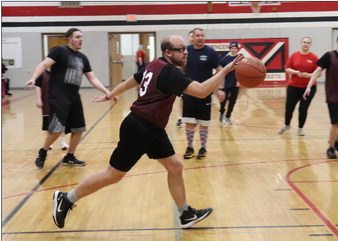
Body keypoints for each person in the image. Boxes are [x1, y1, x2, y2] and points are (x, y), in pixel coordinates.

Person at [52, 35, 244, 229]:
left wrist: (110, 94)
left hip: (153, 128)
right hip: (139, 128)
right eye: (180, 49)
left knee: (175, 167)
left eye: (185, 48)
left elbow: (128, 83)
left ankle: (185, 214)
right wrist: (226, 70)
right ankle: (66, 198)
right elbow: (202, 91)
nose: (185, 52)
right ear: (168, 53)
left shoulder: (155, 64)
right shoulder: (170, 73)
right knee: (113, 174)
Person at [26, 28, 114, 169]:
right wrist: (33, 78)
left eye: (82, 37)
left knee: (78, 128)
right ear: (70, 39)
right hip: (59, 95)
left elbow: (93, 78)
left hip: (74, 97)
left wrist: (108, 92)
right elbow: (44, 64)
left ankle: (70, 156)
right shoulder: (59, 51)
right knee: (56, 129)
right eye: (78, 37)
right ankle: (43, 151)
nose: (81, 39)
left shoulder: (82, 58)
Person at [303, 31, 338, 159]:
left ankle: (336, 140)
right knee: (336, 123)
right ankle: (331, 147)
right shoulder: (329, 56)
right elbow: (317, 71)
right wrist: (308, 87)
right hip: (332, 96)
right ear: (337, 41)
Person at [182, 28, 224, 159]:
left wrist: (219, 88)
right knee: (189, 121)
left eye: (202, 35)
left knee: (204, 123)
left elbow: (219, 70)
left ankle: (203, 148)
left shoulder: (210, 52)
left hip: (205, 92)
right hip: (188, 91)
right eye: (197, 35)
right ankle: (190, 146)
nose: (200, 38)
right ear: (192, 37)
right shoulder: (186, 51)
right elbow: (179, 68)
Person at [278, 37, 319, 136]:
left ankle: (300, 128)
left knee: (303, 108)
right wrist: (296, 72)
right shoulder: (294, 55)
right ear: (300, 43)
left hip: (309, 87)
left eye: (308, 43)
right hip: (293, 87)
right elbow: (287, 69)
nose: (306, 44)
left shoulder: (314, 58)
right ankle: (287, 125)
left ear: (310, 45)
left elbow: (319, 73)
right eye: (304, 42)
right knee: (289, 108)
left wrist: (309, 75)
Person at [34, 68, 69, 150]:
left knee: (60, 122)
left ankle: (63, 141)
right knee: (48, 123)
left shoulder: (60, 72)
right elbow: (37, 86)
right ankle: (49, 142)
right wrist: (38, 100)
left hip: (59, 101)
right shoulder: (42, 74)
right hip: (46, 101)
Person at [219, 41, 241, 125]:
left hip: (236, 83)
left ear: (237, 49)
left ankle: (227, 117)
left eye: (235, 48)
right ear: (229, 49)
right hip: (226, 82)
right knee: (223, 100)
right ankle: (221, 112)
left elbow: (243, 71)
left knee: (232, 101)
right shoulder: (225, 59)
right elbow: (221, 71)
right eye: (232, 48)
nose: (233, 49)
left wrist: (239, 81)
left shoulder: (240, 58)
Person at [176, 30, 194, 128]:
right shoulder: (185, 51)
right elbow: (179, 65)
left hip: (198, 81)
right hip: (186, 79)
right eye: (191, 36)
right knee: (182, 99)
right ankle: (180, 117)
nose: (192, 38)